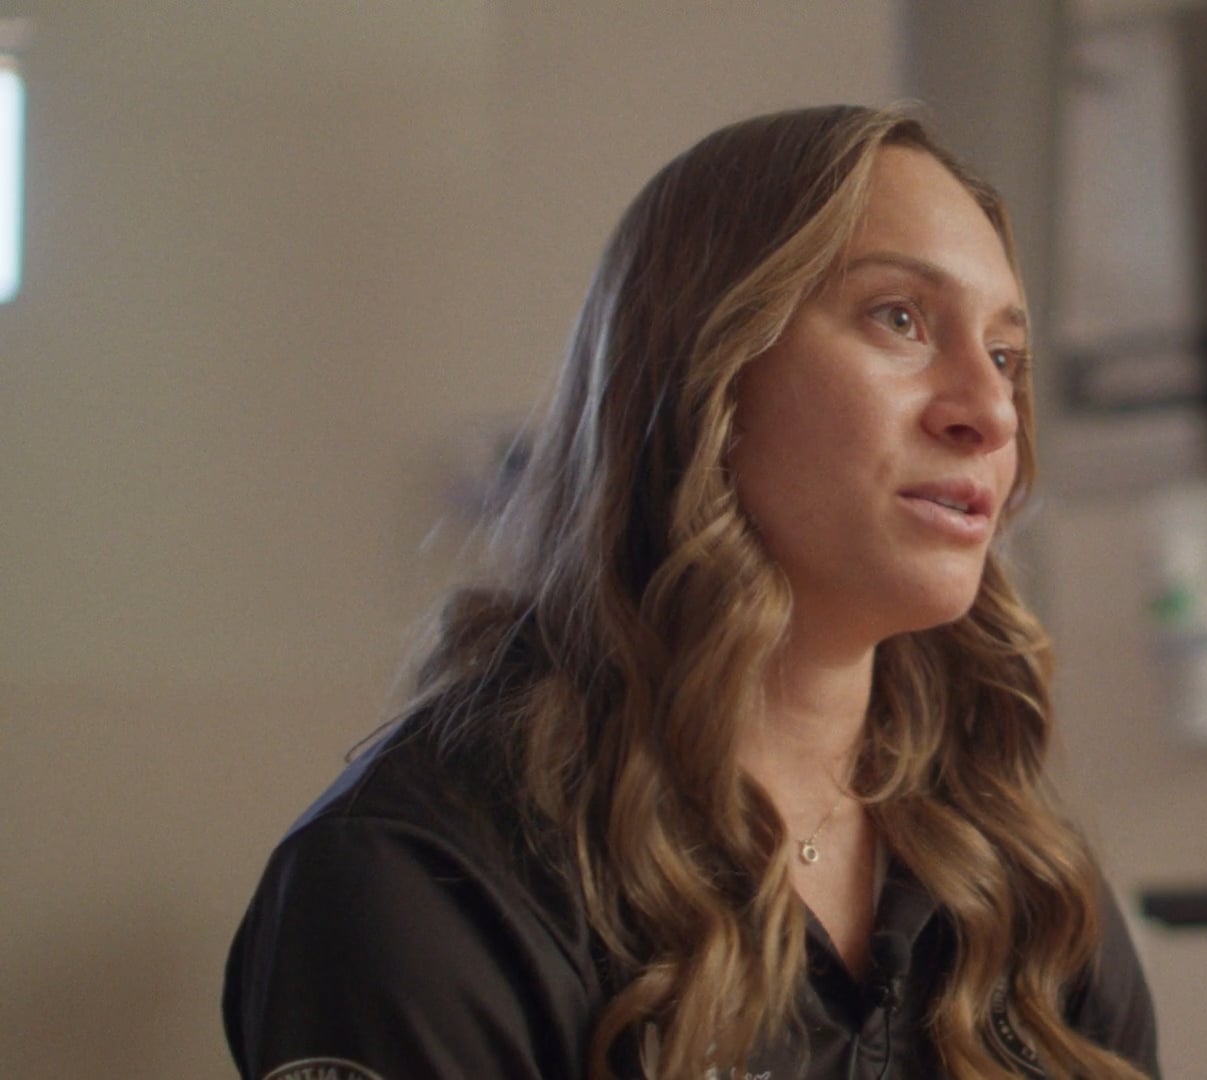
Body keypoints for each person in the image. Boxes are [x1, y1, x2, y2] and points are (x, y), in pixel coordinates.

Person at [222, 104, 1159, 1080]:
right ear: (708, 365)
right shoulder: (426, 882)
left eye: (1006, 356)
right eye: (901, 319)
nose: (988, 411)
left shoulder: (1026, 886)